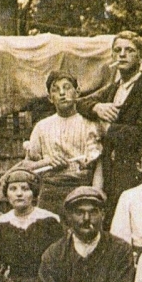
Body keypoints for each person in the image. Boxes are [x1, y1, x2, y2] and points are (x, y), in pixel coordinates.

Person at [77, 31, 142, 215]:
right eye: (117, 50)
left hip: (134, 172)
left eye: (129, 50)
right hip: (108, 172)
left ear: (141, 58)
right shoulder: (113, 88)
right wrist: (97, 107)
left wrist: (108, 129)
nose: (122, 54)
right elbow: (81, 103)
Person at [25, 71, 103, 217]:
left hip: (81, 191)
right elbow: (27, 166)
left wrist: (96, 193)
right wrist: (46, 161)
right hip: (50, 193)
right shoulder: (42, 127)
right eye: (56, 90)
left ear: (77, 92)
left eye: (67, 88)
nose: (62, 93)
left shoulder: (90, 124)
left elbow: (99, 163)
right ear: (50, 98)